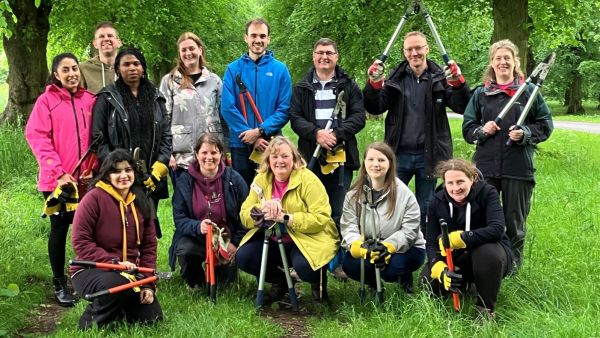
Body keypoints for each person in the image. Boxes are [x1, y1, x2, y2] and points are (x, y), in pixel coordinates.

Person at [363, 31, 471, 231]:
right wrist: (374, 84)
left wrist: (458, 84)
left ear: (427, 49)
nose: (414, 53)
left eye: (418, 48)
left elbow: (462, 106)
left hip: (428, 154)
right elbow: (374, 106)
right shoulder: (396, 79)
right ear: (404, 53)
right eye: (409, 49)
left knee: (426, 206)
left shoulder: (440, 77)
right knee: (391, 203)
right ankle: (392, 246)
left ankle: (423, 249)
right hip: (398, 154)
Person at [462, 39, 553, 268]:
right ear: (491, 63)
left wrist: (525, 133)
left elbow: (545, 125)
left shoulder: (530, 93)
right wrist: (482, 131)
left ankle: (511, 268)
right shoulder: (481, 94)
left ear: (515, 62)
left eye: (507, 58)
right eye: (498, 58)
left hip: (518, 168)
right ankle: (483, 265)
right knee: (482, 219)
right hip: (485, 167)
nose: (503, 62)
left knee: (515, 221)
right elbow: (468, 128)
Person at [290, 38, 366, 280]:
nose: (324, 57)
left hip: (340, 157)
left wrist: (336, 134)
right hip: (309, 159)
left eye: (329, 53)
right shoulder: (302, 87)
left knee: (338, 211)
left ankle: (338, 263)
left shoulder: (348, 85)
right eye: (320, 52)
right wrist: (316, 133)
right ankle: (308, 260)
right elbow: (295, 117)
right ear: (313, 56)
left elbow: (359, 117)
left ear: (337, 56)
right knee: (308, 211)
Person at [25, 53, 96, 307]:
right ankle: (58, 281)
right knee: (60, 227)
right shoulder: (46, 101)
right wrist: (58, 172)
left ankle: (86, 277)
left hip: (85, 181)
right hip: (56, 182)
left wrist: (94, 168)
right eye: (65, 70)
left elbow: (97, 139)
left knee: (85, 229)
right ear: (56, 74)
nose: (71, 74)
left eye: (74, 68)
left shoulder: (90, 100)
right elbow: (37, 137)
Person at [236, 136, 338, 303]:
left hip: (308, 238)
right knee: (244, 257)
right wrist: (262, 211)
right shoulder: (261, 179)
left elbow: (321, 218)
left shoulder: (308, 180)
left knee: (305, 267)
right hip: (275, 239)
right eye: (274, 156)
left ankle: (318, 283)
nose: (279, 161)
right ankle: (281, 281)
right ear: (268, 159)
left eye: (285, 156)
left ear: (294, 158)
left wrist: (286, 218)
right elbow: (244, 214)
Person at [70, 149, 163, 329]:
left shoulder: (142, 201)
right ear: (107, 174)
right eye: (117, 171)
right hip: (91, 269)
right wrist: (113, 263)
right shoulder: (93, 198)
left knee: (151, 318)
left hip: (130, 273)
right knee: (119, 285)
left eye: (128, 170)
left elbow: (149, 247)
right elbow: (81, 242)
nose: (124, 175)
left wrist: (147, 284)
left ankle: (120, 308)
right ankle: (90, 323)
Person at [92, 47, 172, 238]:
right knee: (122, 226)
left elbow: (166, 136)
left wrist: (159, 168)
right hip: (120, 175)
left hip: (150, 174)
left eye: (136, 64)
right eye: (126, 64)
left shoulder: (156, 97)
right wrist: (117, 169)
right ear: (118, 69)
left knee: (147, 225)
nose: (132, 68)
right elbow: (98, 139)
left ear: (143, 68)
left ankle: (146, 265)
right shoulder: (107, 98)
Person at [422, 158, 514, 319]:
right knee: (427, 282)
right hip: (456, 257)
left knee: (487, 253)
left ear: (472, 179)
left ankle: (484, 309)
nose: (455, 188)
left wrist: (463, 237)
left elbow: (497, 229)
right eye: (450, 183)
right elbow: (430, 242)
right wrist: (438, 267)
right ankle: (463, 285)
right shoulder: (436, 201)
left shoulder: (488, 193)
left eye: (460, 181)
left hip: (491, 254)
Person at [340, 142, 425, 293]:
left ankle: (404, 278)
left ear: (390, 164)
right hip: (369, 247)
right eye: (371, 159)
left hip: (404, 248)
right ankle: (373, 283)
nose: (375, 164)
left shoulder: (405, 194)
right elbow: (348, 227)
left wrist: (388, 246)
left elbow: (410, 231)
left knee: (391, 269)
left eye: (381, 160)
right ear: (364, 162)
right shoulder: (353, 195)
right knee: (350, 264)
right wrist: (360, 247)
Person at [169, 133, 248, 288]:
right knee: (185, 250)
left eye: (214, 152)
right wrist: (198, 227)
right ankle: (195, 279)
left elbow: (246, 215)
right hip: (197, 237)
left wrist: (235, 243)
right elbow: (179, 219)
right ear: (197, 154)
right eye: (204, 152)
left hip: (226, 239)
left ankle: (225, 269)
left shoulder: (234, 178)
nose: (209, 157)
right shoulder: (184, 180)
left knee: (225, 286)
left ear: (221, 154)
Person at [221, 18, 292, 187]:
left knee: (272, 192)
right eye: (253, 35)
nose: (258, 40)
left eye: (262, 36)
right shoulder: (232, 69)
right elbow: (227, 108)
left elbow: (284, 109)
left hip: (271, 143)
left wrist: (261, 131)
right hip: (240, 143)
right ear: (246, 37)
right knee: (243, 194)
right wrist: (250, 136)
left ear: (269, 39)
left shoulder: (280, 70)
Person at [159, 32, 226, 189]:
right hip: (182, 157)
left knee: (213, 203)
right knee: (185, 204)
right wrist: (168, 154)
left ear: (200, 50)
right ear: (179, 54)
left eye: (192, 48)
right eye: (183, 50)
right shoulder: (169, 81)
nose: (188, 53)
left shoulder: (214, 80)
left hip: (211, 156)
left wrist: (226, 151)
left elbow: (223, 116)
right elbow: (162, 119)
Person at [80, 22, 122, 93]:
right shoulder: (84, 69)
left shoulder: (128, 67)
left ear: (119, 42)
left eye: (110, 36)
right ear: (95, 44)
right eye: (101, 36)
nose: (106, 39)